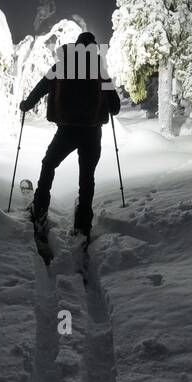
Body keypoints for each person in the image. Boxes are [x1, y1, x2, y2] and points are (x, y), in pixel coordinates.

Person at [19, 31, 121, 237]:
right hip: (92, 134)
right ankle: (83, 223)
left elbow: (41, 87)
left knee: (49, 164)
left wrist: (26, 105)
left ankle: (39, 209)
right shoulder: (99, 71)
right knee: (87, 177)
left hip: (66, 131)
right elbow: (116, 107)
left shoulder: (62, 66)